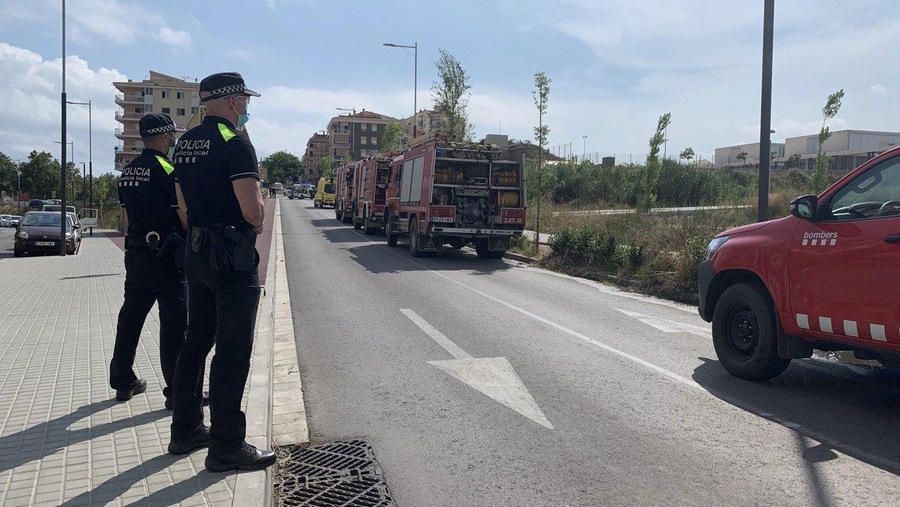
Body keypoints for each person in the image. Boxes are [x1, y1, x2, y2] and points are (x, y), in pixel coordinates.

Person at [167, 72, 275, 472]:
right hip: (231, 258)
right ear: (231, 102)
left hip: (196, 253)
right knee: (232, 350)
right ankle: (227, 445)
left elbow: (182, 206)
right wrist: (259, 214)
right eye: (245, 100)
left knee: (195, 341)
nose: (246, 107)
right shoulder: (236, 144)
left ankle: (185, 429)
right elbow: (252, 210)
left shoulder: (184, 145)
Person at [109, 113, 188, 409]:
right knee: (174, 324)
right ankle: (176, 390)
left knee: (130, 317)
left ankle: (122, 380)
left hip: (136, 254)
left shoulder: (128, 172)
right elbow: (182, 215)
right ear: (166, 136)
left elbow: (126, 218)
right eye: (172, 136)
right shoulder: (169, 170)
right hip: (167, 257)